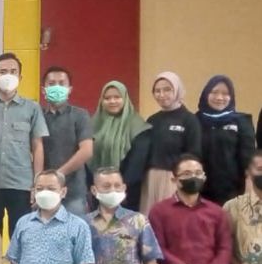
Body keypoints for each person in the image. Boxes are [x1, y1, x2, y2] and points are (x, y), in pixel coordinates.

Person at [0, 53, 48, 236]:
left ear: (20, 77)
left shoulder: (32, 108)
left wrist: (37, 183)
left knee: (22, 237)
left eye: (13, 71)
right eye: (3, 72)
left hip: (22, 185)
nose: (8, 75)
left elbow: (37, 146)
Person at [140, 71, 201, 214]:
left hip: (175, 179)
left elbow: (194, 154)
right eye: (157, 91)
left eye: (167, 89)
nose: (161, 94)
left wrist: (183, 178)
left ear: (177, 90)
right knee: (149, 219)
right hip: (150, 179)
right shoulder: (152, 120)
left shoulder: (189, 120)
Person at [90, 81, 151, 211]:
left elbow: (136, 164)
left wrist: (118, 189)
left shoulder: (138, 126)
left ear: (125, 99)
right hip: (98, 193)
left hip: (127, 194)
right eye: (107, 98)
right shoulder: (93, 124)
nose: (112, 101)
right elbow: (88, 158)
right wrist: (98, 187)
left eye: (117, 97)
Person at [41, 66, 93, 216]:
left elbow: (87, 151)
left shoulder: (80, 115)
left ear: (69, 89)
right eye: (51, 84)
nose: (56, 87)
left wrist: (58, 175)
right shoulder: (37, 115)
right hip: (43, 191)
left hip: (74, 191)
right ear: (43, 89)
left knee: (75, 229)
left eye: (61, 83)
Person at [196, 75, 254, 206]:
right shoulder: (195, 121)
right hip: (201, 190)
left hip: (233, 191)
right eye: (214, 92)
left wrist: (249, 189)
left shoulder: (241, 121)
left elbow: (248, 159)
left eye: (225, 93)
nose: (219, 97)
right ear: (206, 94)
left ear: (231, 96)